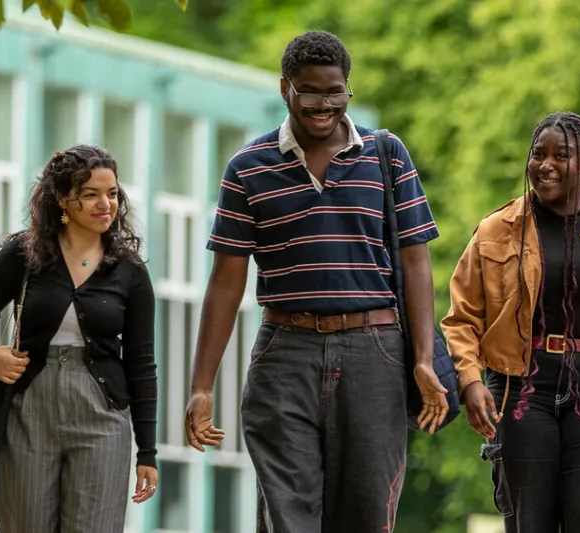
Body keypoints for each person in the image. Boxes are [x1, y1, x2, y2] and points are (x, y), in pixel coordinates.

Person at [181, 30, 450, 533]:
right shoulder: (247, 169)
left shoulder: (386, 156)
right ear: (285, 88)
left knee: (369, 515)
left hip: (375, 353)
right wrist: (201, 385)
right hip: (285, 353)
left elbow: (416, 262)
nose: (324, 104)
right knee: (287, 517)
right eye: (310, 91)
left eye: (336, 91)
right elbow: (224, 283)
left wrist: (420, 360)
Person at [441, 111, 580, 533]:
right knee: (530, 522)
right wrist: (470, 381)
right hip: (521, 391)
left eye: (560, 155)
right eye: (537, 154)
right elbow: (462, 318)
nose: (545, 164)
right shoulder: (497, 230)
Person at [0, 145, 160, 531]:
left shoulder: (129, 271)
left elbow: (141, 363)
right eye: (91, 194)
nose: (106, 204)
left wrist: (147, 451)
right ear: (64, 199)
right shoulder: (25, 253)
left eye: (113, 193)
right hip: (29, 405)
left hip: (102, 410)